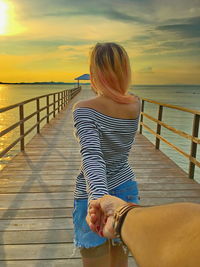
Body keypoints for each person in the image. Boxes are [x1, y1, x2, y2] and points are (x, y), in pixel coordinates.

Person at [72, 42, 141, 267]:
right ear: (124, 71)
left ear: (94, 73)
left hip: (93, 195)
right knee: (120, 260)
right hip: (125, 188)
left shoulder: (84, 108)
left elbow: (92, 156)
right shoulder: (134, 104)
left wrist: (99, 199)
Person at [87, 195, 200, 267]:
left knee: (96, 255)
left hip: (102, 201)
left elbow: (91, 159)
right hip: (124, 189)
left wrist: (98, 197)